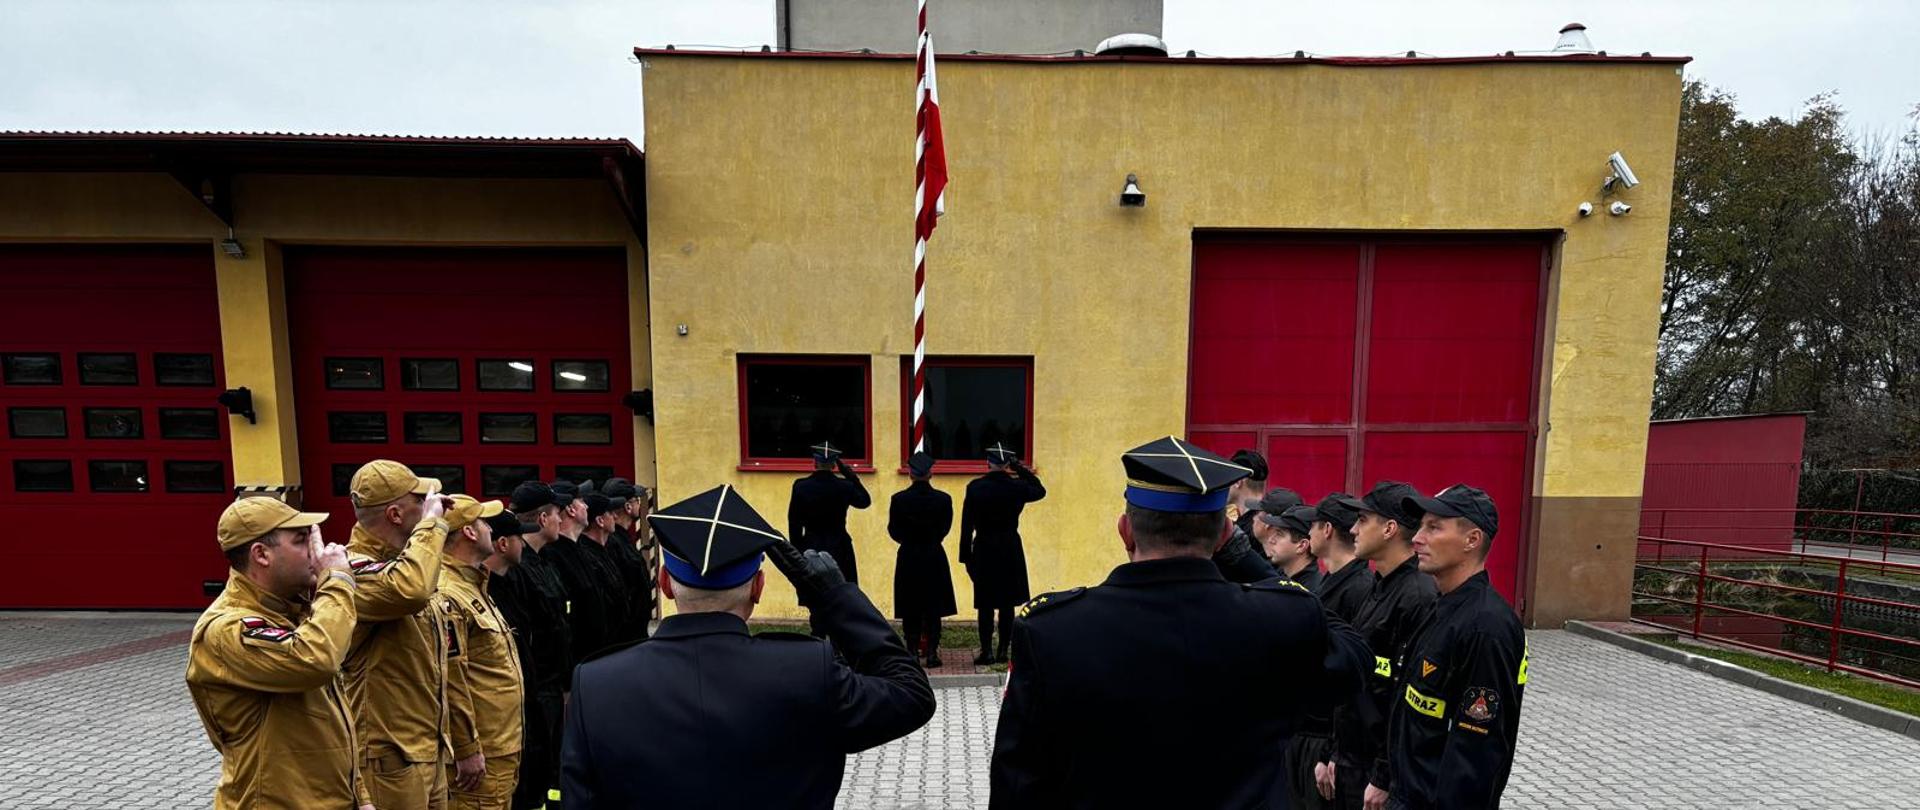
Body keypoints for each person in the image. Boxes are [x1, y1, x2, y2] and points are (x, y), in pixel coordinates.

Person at [989, 437, 1369, 809]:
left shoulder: (1052, 630)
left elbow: (1019, 780)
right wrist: (1253, 565)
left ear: (1125, 531)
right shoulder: (1282, 618)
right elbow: (1355, 660)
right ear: (1223, 535)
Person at [560, 484, 936, 808]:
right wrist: (834, 598)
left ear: (665, 583)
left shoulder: (597, 685)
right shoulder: (807, 672)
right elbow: (911, 694)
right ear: (758, 587)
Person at [186, 497, 369, 810]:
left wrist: (360, 797)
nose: (317, 552)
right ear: (261, 554)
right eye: (301, 541)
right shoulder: (228, 629)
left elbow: (327, 722)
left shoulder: (289, 613)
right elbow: (315, 660)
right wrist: (336, 582)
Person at [1388, 485, 1528, 810]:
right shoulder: (1442, 607)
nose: (1417, 538)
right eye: (1421, 526)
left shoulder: (1485, 626)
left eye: (1434, 527)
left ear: (1472, 540)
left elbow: (1476, 753)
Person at [342, 460, 455, 810]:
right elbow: (410, 591)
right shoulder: (352, 568)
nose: (430, 504)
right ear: (394, 514)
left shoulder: (409, 561)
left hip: (426, 747)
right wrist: (432, 525)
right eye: (420, 499)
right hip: (389, 756)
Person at [1328, 481, 1437, 810]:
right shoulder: (1376, 586)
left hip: (1376, 773)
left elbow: (1404, 700)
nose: (1352, 529)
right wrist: (1335, 751)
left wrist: (1383, 775)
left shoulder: (1417, 597)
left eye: (1362, 520)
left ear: (1390, 528)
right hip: (1351, 759)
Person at [435, 496, 525, 810]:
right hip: (479, 758)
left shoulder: (474, 584)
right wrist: (466, 748)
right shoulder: (449, 592)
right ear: (469, 534)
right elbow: (452, 679)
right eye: (484, 522)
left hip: (500, 748)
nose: (490, 528)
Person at [498, 487, 573, 810]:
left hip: (554, 686)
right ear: (543, 518)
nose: (561, 519)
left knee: (551, 768)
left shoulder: (543, 562)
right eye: (557, 513)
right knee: (533, 772)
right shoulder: (517, 571)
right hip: (535, 691)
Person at [959, 442, 1047, 665]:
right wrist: (1019, 468)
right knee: (1007, 603)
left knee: (985, 603)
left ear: (988, 463)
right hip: (1009, 546)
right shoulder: (1017, 487)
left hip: (984, 547)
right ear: (1007, 463)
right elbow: (1039, 490)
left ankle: (986, 651)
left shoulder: (975, 488)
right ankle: (1002, 651)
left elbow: (966, 524)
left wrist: (965, 556)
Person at [525, 480, 621, 668]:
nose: (586, 505)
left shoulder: (581, 551)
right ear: (571, 510)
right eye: (580, 501)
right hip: (577, 665)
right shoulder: (553, 555)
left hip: (599, 659)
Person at [888, 451, 958, 668]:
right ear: (930, 474)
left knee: (911, 606)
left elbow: (893, 530)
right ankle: (932, 652)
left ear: (910, 474)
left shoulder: (899, 500)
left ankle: (912, 651)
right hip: (933, 554)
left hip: (909, 555)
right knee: (933, 606)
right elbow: (945, 528)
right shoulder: (943, 500)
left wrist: (909, 540)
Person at [787, 440, 873, 586]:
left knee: (816, 593)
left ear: (815, 463)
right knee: (842, 591)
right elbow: (865, 501)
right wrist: (850, 475)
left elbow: (794, 522)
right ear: (834, 465)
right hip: (839, 546)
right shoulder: (845, 486)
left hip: (810, 545)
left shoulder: (801, 486)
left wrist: (798, 550)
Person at [578, 489, 647, 643]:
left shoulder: (603, 551)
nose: (615, 516)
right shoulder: (591, 556)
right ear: (600, 521)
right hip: (611, 642)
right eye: (610, 512)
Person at [598, 477, 658, 636]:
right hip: (627, 633)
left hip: (635, 629)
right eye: (637, 500)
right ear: (628, 507)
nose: (640, 503)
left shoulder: (622, 539)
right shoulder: (613, 543)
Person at [1311, 492, 1373, 621]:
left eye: (1312, 526)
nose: (1309, 532)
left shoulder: (1360, 588)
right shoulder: (1335, 576)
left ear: (1327, 529)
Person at [1257, 502, 1324, 589]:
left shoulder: (1311, 591)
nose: (1271, 540)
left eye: (1280, 534)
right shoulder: (1280, 575)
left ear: (1301, 546)